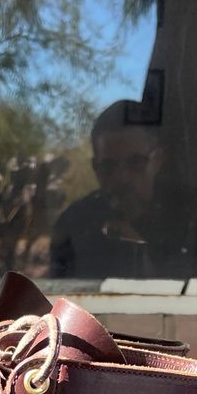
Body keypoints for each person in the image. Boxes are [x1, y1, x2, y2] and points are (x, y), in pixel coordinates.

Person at [49, 100, 166, 279]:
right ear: (95, 168)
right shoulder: (75, 224)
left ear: (157, 161)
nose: (121, 178)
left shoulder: (184, 221)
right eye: (108, 167)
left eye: (136, 163)